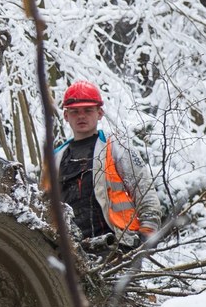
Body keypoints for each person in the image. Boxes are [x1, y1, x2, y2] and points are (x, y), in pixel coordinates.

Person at [54, 80, 161, 250]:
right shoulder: (56, 158)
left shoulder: (117, 147)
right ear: (66, 116)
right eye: (75, 111)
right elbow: (46, 205)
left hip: (118, 244)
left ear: (100, 113)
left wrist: (148, 230)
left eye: (88, 110)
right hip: (73, 250)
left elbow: (144, 188)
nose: (81, 116)